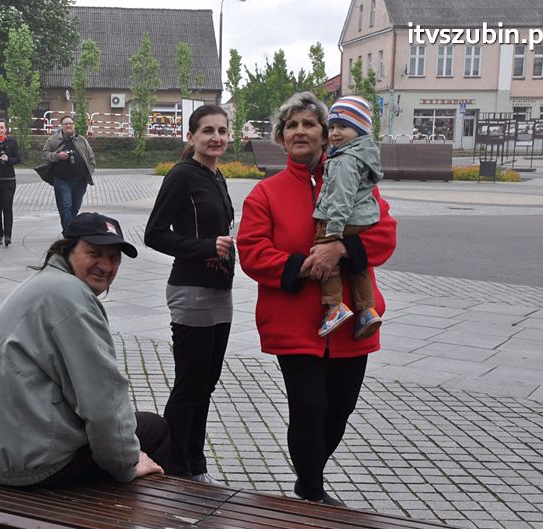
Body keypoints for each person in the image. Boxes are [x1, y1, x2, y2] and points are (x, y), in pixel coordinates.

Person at [236, 92, 396, 506]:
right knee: (308, 408)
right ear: (282, 137)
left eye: (309, 124)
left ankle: (308, 478)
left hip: (353, 325)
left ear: (327, 135)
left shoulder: (354, 177)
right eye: (292, 125)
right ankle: (312, 492)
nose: (300, 131)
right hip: (296, 324)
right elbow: (252, 252)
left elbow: (384, 234)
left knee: (338, 411)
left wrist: (339, 251)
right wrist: (310, 265)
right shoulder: (265, 193)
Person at [0, 212, 168, 487]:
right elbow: (103, 401)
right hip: (19, 465)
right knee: (155, 429)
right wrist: (129, 465)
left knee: (130, 430)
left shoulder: (41, 283)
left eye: (114, 258)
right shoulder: (72, 300)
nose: (106, 265)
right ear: (68, 248)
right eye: (94, 253)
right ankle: (156, 518)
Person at [144, 104, 235, 483]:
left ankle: (194, 466)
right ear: (191, 137)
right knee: (190, 385)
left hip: (219, 291)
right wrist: (204, 247)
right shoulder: (182, 175)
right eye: (208, 131)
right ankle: (176, 466)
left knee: (205, 385)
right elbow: (154, 234)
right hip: (191, 290)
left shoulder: (217, 176)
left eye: (222, 131)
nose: (217, 138)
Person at [314, 95, 383, 339]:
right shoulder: (365, 154)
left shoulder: (344, 160)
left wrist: (333, 230)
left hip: (341, 219)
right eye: (331, 127)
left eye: (343, 127)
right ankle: (366, 310)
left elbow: (340, 196)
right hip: (363, 220)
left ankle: (334, 307)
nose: (335, 133)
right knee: (357, 265)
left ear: (360, 129)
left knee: (325, 258)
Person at [41, 114, 96, 232]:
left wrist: (89, 172)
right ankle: (69, 233)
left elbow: (91, 158)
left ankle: (70, 228)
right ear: (61, 125)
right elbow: (44, 155)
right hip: (62, 180)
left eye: (70, 123)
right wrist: (57, 155)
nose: (68, 126)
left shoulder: (81, 140)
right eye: (66, 124)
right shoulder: (54, 139)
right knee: (66, 206)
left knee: (75, 207)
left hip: (80, 181)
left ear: (74, 125)